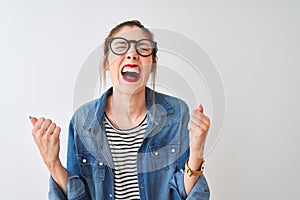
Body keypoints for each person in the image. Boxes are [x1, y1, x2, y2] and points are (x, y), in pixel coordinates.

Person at [30, 20, 210, 200]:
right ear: (107, 62)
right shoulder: (82, 120)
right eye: (120, 46)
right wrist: (52, 163)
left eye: (143, 48)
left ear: (152, 63)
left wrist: (196, 153)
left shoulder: (176, 114)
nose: (132, 54)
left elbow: (185, 195)